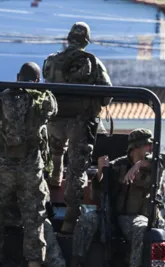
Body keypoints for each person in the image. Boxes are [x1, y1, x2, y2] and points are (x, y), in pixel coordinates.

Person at [0, 62, 78, 267]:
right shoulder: (41, 100)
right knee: (35, 220)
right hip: (30, 169)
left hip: (1, 168)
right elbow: (53, 109)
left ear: (17, 76)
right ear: (37, 81)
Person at [71, 129, 165, 267]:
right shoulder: (117, 166)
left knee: (142, 228)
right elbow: (95, 194)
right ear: (135, 148)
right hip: (114, 217)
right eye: (147, 145)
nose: (151, 148)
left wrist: (140, 165)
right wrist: (100, 172)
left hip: (140, 217)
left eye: (151, 145)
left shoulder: (156, 165)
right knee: (87, 219)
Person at [0, 146, 85, 267]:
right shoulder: (28, 162)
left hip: (6, 213)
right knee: (40, 223)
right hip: (8, 213)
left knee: (41, 223)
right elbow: (41, 197)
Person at [42, 21, 112, 233]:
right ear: (86, 41)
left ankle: (54, 170)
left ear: (68, 38)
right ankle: (70, 220)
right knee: (76, 170)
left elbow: (45, 84)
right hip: (80, 124)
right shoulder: (93, 62)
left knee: (55, 152)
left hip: (55, 122)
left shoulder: (51, 61)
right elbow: (107, 94)